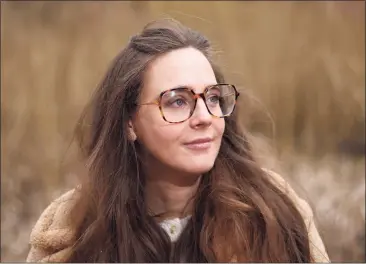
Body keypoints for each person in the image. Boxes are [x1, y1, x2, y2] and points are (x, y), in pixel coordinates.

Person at [26, 18, 329, 262]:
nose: (205, 116)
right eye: (177, 101)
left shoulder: (274, 213)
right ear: (130, 123)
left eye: (212, 97)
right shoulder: (72, 228)